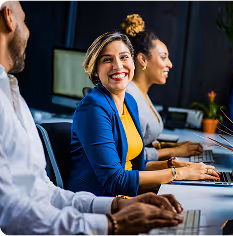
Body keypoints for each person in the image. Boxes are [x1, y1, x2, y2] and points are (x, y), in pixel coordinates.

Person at [0, 1, 184, 235]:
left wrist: (117, 206)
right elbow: (13, 214)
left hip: (98, 209)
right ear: (8, 17)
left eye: (124, 57)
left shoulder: (12, 94)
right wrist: (111, 223)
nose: (27, 32)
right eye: (24, 20)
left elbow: (44, 193)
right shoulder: (93, 107)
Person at [68, 31, 220, 197]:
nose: (118, 66)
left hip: (128, 196)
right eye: (107, 60)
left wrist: (177, 166)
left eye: (124, 57)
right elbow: (114, 180)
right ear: (95, 70)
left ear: (133, 63)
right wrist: (179, 174)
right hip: (100, 202)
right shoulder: (93, 108)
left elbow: (136, 166)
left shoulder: (130, 102)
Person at [123, 14, 205, 162]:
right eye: (163, 57)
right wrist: (172, 151)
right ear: (143, 59)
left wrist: (168, 146)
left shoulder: (140, 93)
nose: (170, 64)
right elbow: (130, 157)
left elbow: (143, 141)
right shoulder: (129, 97)